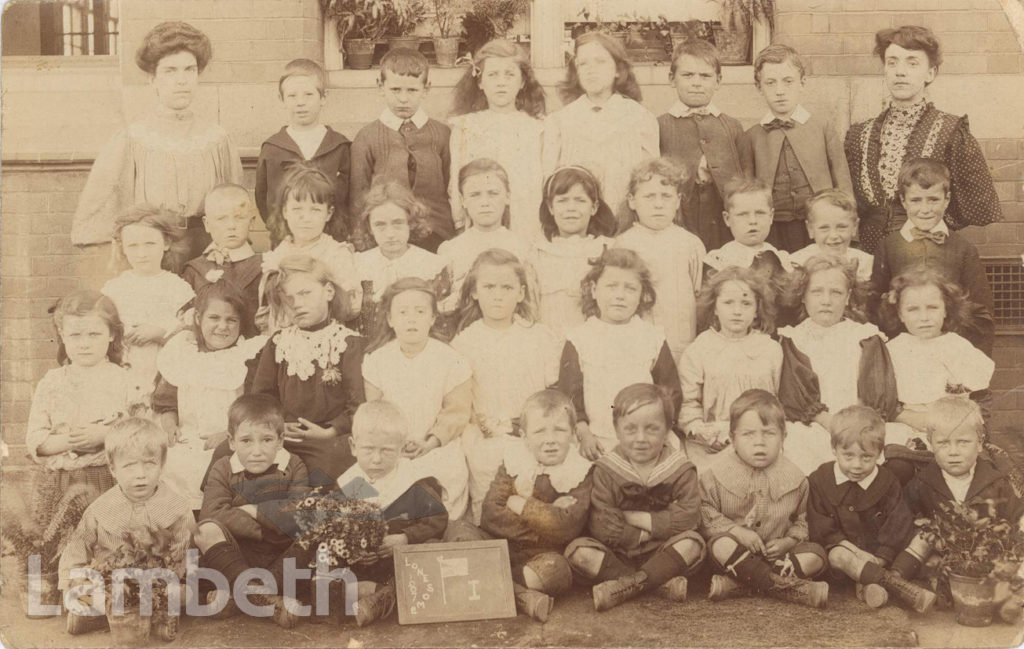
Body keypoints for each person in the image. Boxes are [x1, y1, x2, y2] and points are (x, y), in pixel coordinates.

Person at [71, 21, 243, 264]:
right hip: (153, 250)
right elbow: (105, 204)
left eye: (189, 70)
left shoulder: (217, 139)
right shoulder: (134, 138)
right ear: (152, 79)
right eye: (170, 71)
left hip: (208, 251)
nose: (181, 80)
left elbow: (233, 202)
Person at [845, 25, 1001, 254]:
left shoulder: (950, 130)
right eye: (892, 62)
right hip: (872, 255)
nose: (900, 71)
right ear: (885, 70)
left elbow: (980, 205)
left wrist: (932, 220)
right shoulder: (860, 135)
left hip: (928, 253)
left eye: (912, 63)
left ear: (931, 73)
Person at [565, 383, 704, 612]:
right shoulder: (606, 469)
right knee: (578, 552)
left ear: (668, 428)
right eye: (630, 429)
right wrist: (648, 531)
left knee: (693, 544)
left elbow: (690, 517)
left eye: (652, 429)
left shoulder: (680, 468)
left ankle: (626, 586)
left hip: (663, 551)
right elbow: (603, 525)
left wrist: (639, 519)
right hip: (617, 554)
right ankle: (655, 583)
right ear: (617, 430)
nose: (641, 438)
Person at [450, 249, 561, 524]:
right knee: (490, 505)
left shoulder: (539, 336)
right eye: (489, 287)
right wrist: (487, 425)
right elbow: (462, 402)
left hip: (530, 435)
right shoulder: (464, 342)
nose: (498, 295)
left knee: (533, 506)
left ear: (521, 293)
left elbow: (553, 395)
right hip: (485, 438)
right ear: (474, 292)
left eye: (507, 287)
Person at [60, 418, 194, 637]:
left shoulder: (177, 508)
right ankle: (93, 614)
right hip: (109, 583)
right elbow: (77, 546)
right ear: (113, 469)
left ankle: (123, 616)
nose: (140, 474)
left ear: (161, 463)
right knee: (77, 594)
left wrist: (160, 580)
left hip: (156, 584)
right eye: (129, 465)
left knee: (185, 594)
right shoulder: (99, 509)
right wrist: (73, 580)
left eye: (149, 463)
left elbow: (181, 556)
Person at [699, 389, 828, 608]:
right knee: (721, 545)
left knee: (817, 556)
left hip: (778, 556)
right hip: (735, 556)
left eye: (769, 433)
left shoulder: (797, 478)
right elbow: (705, 512)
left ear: (783, 437)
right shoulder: (714, 476)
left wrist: (788, 541)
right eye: (748, 434)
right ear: (732, 438)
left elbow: (803, 519)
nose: (759, 442)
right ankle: (783, 587)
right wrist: (736, 531)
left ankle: (742, 585)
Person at [192, 394, 309, 628]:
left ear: (280, 440)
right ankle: (259, 596)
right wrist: (268, 529)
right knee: (205, 530)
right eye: (246, 441)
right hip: (237, 558)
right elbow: (213, 513)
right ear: (231, 441)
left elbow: (300, 514)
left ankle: (242, 596)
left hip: (281, 560)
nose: (257, 451)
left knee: (316, 532)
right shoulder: (223, 467)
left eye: (266, 440)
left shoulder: (293, 464)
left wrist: (256, 511)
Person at [247, 255, 367, 482]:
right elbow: (262, 397)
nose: (296, 304)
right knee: (229, 456)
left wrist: (330, 431)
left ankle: (346, 512)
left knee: (331, 471)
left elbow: (358, 404)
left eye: (304, 293)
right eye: (288, 298)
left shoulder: (348, 344)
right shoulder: (278, 343)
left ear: (329, 292)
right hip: (281, 434)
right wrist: (278, 424)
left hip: (328, 438)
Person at [27, 291, 142, 524]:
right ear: (62, 334)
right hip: (57, 483)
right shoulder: (51, 382)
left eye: (94, 334)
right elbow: (36, 441)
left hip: (107, 479)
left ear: (111, 334)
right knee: (57, 547)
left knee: (107, 547)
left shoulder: (124, 380)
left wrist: (106, 434)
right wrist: (73, 440)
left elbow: (141, 432)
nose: (84, 344)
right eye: (75, 335)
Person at [777, 255, 898, 475]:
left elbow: (877, 388)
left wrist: (858, 426)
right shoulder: (794, 339)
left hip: (863, 422)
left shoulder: (865, 337)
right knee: (800, 449)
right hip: (815, 424)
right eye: (817, 292)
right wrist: (832, 424)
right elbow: (795, 392)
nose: (826, 300)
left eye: (836, 292)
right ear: (803, 296)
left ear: (848, 297)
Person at [362, 278, 472, 520]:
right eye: (402, 312)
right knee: (365, 494)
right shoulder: (377, 360)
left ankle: (430, 532)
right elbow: (375, 413)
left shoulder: (450, 359)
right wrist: (395, 443)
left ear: (432, 317)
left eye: (420, 311)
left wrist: (430, 442)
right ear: (390, 319)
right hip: (392, 447)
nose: (411, 318)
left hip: (436, 446)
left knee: (439, 489)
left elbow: (456, 413)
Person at [806, 405, 934, 612]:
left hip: (882, 556)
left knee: (924, 538)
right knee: (837, 555)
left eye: (866, 457)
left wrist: (881, 557)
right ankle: (898, 587)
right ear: (834, 449)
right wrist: (856, 553)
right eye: (848, 456)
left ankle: (875, 585)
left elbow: (897, 522)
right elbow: (820, 526)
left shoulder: (886, 481)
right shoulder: (820, 479)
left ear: (879, 454)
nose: (857, 465)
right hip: (845, 555)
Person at [333, 401, 449, 627]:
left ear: (401, 448)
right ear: (353, 446)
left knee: (427, 559)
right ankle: (378, 595)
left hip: (401, 562)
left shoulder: (413, 482)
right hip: (363, 565)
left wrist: (406, 537)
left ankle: (384, 597)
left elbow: (438, 519)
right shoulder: (348, 483)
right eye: (368, 449)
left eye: (386, 450)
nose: (376, 459)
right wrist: (353, 548)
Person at [558, 248, 682, 460]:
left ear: (642, 294)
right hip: (596, 441)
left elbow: (670, 391)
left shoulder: (651, 337)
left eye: (630, 288)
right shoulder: (580, 338)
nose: (619, 296)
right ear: (594, 290)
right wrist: (584, 432)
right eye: (611, 286)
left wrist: (659, 430)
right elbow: (569, 397)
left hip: (646, 439)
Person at [480, 390, 592, 622]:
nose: (550, 439)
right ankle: (520, 596)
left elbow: (565, 528)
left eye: (560, 430)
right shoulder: (514, 462)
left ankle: (491, 583)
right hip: (501, 548)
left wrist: (519, 504)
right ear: (524, 436)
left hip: (543, 557)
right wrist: (548, 514)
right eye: (539, 431)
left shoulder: (579, 471)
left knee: (557, 572)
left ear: (572, 434)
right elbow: (490, 515)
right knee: (461, 530)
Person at [153, 283, 268, 510]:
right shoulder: (183, 352)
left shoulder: (245, 357)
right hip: (186, 439)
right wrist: (169, 426)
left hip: (230, 442)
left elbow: (256, 406)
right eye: (214, 318)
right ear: (198, 318)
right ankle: (184, 538)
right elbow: (166, 402)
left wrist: (230, 433)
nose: (222, 327)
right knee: (170, 467)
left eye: (231, 320)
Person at [879, 265, 995, 481]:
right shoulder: (891, 350)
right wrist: (905, 417)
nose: (924, 317)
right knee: (897, 468)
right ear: (900, 314)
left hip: (954, 429)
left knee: (982, 472)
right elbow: (883, 402)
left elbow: (980, 399)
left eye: (932, 307)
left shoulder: (958, 347)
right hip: (906, 428)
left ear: (946, 310)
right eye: (913, 309)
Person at [890, 397, 1024, 583]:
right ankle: (896, 581)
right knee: (924, 543)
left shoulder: (995, 482)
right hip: (942, 552)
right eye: (944, 443)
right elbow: (902, 519)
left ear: (979, 443)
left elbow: (1017, 516)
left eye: (963, 442)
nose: (953, 452)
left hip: (984, 554)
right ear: (931, 443)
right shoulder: (923, 482)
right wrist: (922, 532)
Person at [869, 158, 995, 356]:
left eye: (933, 199)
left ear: (947, 199)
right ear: (903, 200)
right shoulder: (888, 246)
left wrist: (967, 357)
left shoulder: (963, 249)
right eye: (916, 200)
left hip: (950, 350)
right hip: (902, 351)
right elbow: (875, 303)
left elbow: (981, 311)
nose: (925, 209)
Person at [741, 44, 852, 253]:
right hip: (772, 229)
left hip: (819, 227)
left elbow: (842, 180)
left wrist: (847, 227)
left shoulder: (822, 127)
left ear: (802, 83)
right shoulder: (752, 136)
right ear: (759, 87)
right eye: (770, 83)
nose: (780, 91)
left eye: (788, 81)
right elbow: (748, 191)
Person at [543, 32, 659, 223]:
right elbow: (550, 181)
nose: (591, 70)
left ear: (618, 70)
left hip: (626, 223)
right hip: (577, 226)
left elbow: (649, 179)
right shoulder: (560, 121)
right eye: (583, 64)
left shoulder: (640, 118)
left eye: (600, 61)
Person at [678, 267, 782, 469]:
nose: (737, 311)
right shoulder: (700, 349)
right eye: (728, 303)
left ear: (756, 309)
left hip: (761, 438)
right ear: (715, 307)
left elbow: (779, 401)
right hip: (711, 442)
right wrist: (698, 429)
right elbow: (689, 403)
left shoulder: (770, 349)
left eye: (746, 303)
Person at [350, 48, 453, 252]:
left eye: (412, 90)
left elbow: (452, 189)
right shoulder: (367, 137)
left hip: (437, 237)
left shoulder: (442, 134)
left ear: (426, 88)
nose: (403, 99)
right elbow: (358, 197)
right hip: (385, 239)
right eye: (395, 90)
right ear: (380, 86)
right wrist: (362, 242)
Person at [448, 39, 546, 241]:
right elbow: (455, 178)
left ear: (522, 82)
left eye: (510, 74)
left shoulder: (538, 128)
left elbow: (545, 180)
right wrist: (459, 220)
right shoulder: (465, 127)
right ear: (480, 82)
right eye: (493, 75)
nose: (501, 82)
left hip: (527, 220)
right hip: (480, 220)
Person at [658, 40, 750, 250]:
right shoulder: (659, 126)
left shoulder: (733, 127)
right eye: (688, 75)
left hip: (723, 217)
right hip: (680, 216)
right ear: (672, 79)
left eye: (705, 76)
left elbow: (747, 177)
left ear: (718, 81)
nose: (696, 83)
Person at [614, 158, 706, 361]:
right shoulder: (622, 244)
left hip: (681, 340)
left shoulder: (691, 244)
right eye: (649, 196)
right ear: (632, 201)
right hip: (637, 343)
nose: (658, 204)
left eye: (666, 196)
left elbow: (700, 294)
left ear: (678, 201)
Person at [256, 59, 351, 246]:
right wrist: (281, 230)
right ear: (281, 99)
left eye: (308, 94)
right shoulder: (273, 148)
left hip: (332, 243)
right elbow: (263, 198)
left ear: (323, 97)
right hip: (287, 242)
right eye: (292, 96)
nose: (300, 103)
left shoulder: (340, 146)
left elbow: (350, 197)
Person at [102, 205, 195, 394]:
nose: (142, 253)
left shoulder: (178, 288)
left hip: (165, 370)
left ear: (166, 243)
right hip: (126, 366)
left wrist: (160, 333)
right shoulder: (113, 289)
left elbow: (191, 335)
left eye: (150, 244)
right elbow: (101, 329)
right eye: (133, 246)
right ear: (123, 248)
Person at [260, 165, 361, 333]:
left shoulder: (336, 253)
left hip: (325, 332)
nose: (305, 218)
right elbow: (270, 306)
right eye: (297, 209)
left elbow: (351, 307)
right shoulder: (278, 255)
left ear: (328, 214)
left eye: (315, 210)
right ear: (285, 211)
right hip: (285, 334)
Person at [354, 181, 452, 334]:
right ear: (369, 227)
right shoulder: (358, 264)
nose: (390, 234)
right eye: (380, 225)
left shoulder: (431, 266)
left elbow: (441, 321)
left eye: (398, 223)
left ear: (411, 223)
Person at [438, 158, 533, 314]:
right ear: (463, 200)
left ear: (507, 196)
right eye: (475, 195)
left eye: (493, 193)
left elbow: (529, 304)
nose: (485, 202)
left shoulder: (522, 247)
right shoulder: (450, 250)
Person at [531, 165, 617, 335]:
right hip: (549, 339)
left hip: (593, 341)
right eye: (562, 201)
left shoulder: (607, 250)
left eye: (580, 200)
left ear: (594, 207)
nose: (571, 208)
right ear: (550, 208)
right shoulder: (538, 253)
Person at [182, 184, 263, 325]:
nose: (231, 225)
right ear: (207, 224)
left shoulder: (265, 266)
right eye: (222, 219)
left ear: (252, 222)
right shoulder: (194, 270)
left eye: (239, 217)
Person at [704, 177, 792, 277]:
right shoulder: (720, 260)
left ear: (771, 216)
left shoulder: (782, 258)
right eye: (742, 214)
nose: (752, 221)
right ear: (727, 219)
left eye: (760, 213)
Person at [789, 188, 873, 283]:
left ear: (854, 227)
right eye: (824, 228)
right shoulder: (797, 262)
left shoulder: (866, 264)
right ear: (810, 229)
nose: (833, 236)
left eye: (841, 227)